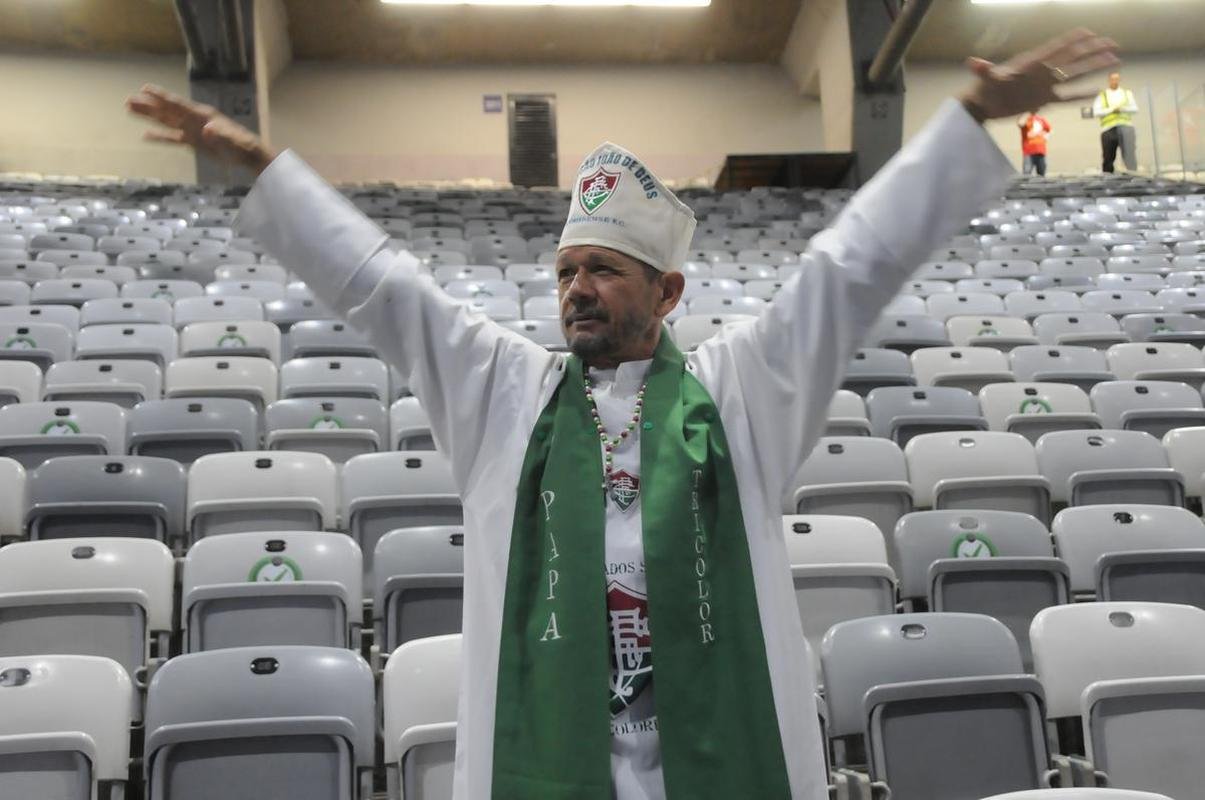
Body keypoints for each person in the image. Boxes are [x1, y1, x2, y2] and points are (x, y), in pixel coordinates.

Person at [127, 28, 1117, 800]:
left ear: (667, 291)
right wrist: (265, 171)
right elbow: (385, 289)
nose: (576, 289)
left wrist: (966, 120)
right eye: (564, 271)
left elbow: (847, 271)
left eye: (602, 268)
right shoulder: (500, 393)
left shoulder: (739, 391)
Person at [1093, 70, 1139, 172]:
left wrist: (1122, 109)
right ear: (1109, 80)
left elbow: (1135, 109)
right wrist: (1111, 110)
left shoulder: (1127, 93)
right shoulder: (1102, 95)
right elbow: (1096, 112)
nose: (1115, 81)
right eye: (1113, 79)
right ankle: (1108, 179)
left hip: (1126, 128)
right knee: (1108, 158)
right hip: (1109, 130)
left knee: (1129, 156)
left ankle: (1133, 177)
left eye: (1117, 79)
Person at [1018, 110, 1052, 176]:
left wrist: (1043, 136)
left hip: (1040, 150)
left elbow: (1049, 129)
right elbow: (1020, 123)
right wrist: (1025, 114)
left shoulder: (1041, 119)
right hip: (1029, 151)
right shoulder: (1026, 119)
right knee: (1027, 173)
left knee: (1041, 173)